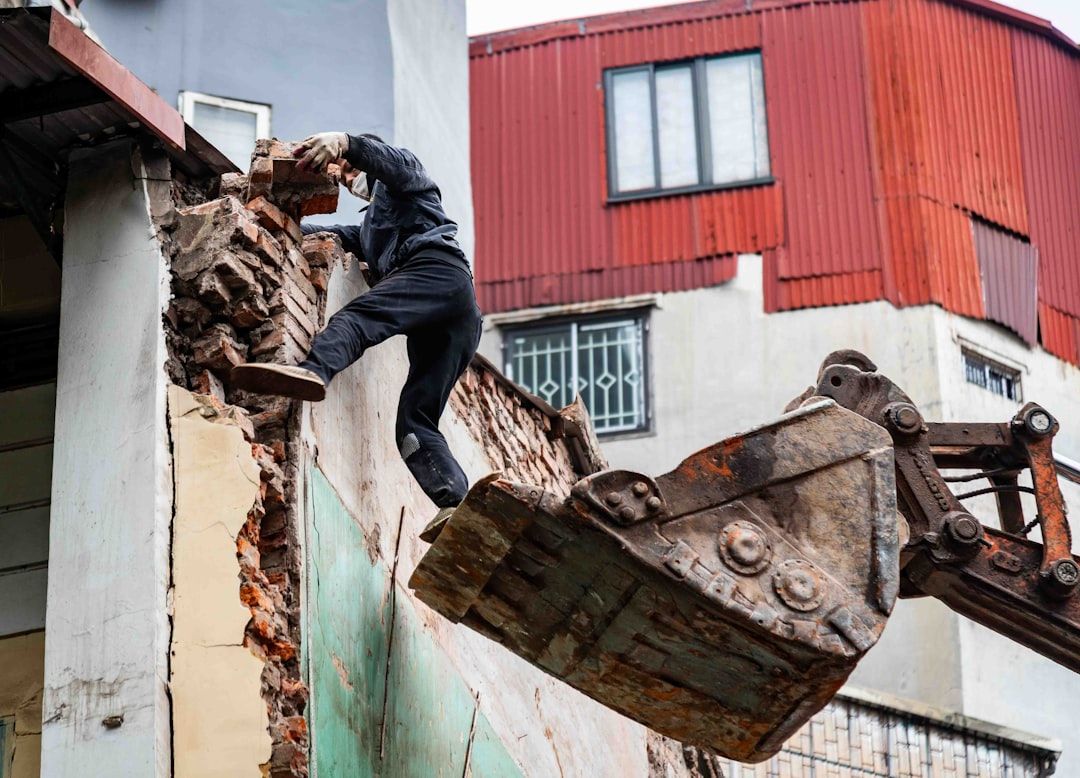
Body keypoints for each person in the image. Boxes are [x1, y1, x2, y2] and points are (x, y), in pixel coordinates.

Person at [230, 132, 481, 538]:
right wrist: (260, 217)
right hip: (455, 319)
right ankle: (459, 506)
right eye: (342, 175)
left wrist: (345, 142)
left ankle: (314, 370)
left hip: (439, 272)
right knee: (414, 423)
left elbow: (388, 161)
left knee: (358, 319)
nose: (346, 178)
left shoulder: (407, 177)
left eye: (350, 170)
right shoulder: (369, 230)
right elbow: (323, 235)